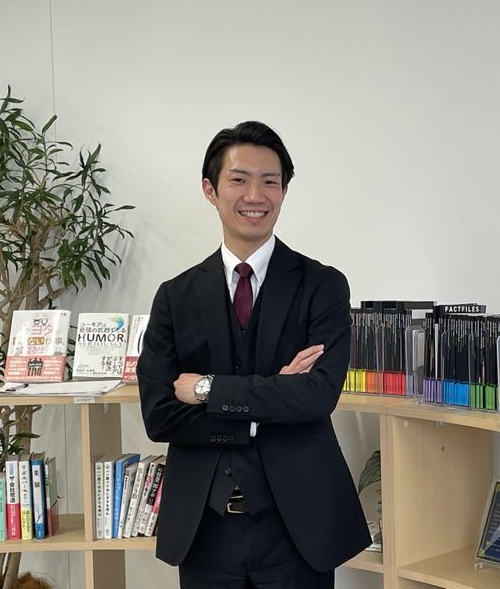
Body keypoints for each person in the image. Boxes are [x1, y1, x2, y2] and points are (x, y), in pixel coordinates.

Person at [137, 121, 371, 588]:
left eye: (270, 181)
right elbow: (160, 416)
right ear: (210, 189)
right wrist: (269, 402)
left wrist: (208, 389)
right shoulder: (175, 296)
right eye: (239, 180)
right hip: (205, 529)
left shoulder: (323, 286)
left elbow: (317, 397)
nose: (255, 196)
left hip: (298, 527)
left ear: (284, 190)